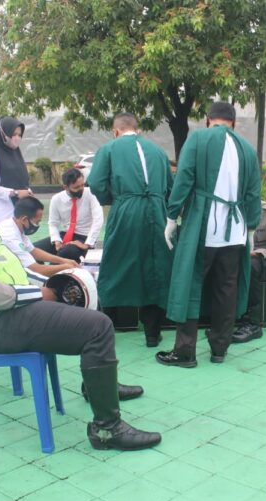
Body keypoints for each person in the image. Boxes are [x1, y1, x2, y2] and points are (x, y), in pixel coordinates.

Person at [0, 151, 160, 450]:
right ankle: (107, 429)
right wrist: (38, 293)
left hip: (1, 312)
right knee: (97, 326)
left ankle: (100, 387)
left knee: (88, 305)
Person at [157, 101, 261, 368]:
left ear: (207, 120)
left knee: (189, 284)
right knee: (226, 288)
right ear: (233, 123)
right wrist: (250, 228)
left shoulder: (198, 139)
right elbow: (252, 194)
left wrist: (172, 216)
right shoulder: (247, 149)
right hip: (235, 231)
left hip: (203, 227)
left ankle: (185, 352)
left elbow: (184, 179)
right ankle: (219, 349)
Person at [87, 113, 174, 347]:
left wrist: (114, 199)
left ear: (115, 131)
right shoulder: (158, 152)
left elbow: (95, 183)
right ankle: (153, 335)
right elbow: (170, 187)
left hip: (126, 210)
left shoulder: (109, 149)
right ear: (138, 130)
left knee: (115, 266)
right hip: (157, 212)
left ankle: (104, 333)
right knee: (154, 270)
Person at [230, 201, 266, 343]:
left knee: (250, 267)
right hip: (238, 257)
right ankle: (222, 321)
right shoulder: (231, 209)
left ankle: (252, 325)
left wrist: (257, 253)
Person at [0, 196, 79, 277]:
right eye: (37, 222)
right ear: (24, 219)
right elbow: (37, 271)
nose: (37, 225)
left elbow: (33, 251)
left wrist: (63, 261)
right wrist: (66, 267)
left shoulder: (14, 224)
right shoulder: (10, 237)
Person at [35, 168, 103, 262]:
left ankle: (53, 273)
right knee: (34, 250)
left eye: (82, 185)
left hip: (85, 237)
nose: (81, 189)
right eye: (76, 187)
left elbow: (98, 220)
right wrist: (56, 240)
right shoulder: (56, 199)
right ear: (66, 187)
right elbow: (53, 223)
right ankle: (40, 274)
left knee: (66, 252)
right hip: (66, 235)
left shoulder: (91, 194)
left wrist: (87, 244)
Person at [0, 117, 33, 226]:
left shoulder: (16, 155)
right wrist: (15, 193)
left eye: (19, 135)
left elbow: (20, 179)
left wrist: (27, 191)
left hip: (15, 215)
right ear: (2, 134)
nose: (17, 138)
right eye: (13, 134)